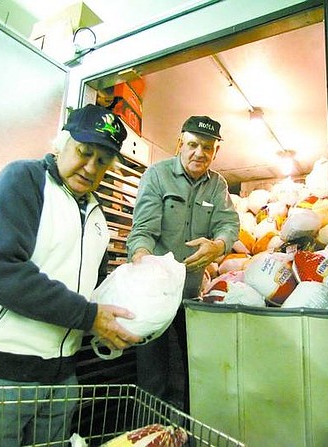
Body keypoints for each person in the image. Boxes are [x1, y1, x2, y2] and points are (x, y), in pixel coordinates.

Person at [0, 104, 142, 446]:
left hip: (58, 383)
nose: (90, 167)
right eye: (83, 152)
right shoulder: (23, 182)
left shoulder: (98, 216)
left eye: (102, 161)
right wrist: (89, 316)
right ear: (62, 143)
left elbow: (88, 291)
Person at [126, 115, 240, 411]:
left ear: (216, 152)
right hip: (156, 295)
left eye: (207, 147)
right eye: (193, 145)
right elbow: (143, 231)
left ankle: (189, 433)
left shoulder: (217, 185)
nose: (199, 153)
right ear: (180, 143)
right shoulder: (157, 175)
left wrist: (218, 246)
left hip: (191, 296)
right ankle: (149, 435)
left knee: (196, 370)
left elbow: (228, 224)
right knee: (153, 376)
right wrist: (142, 260)